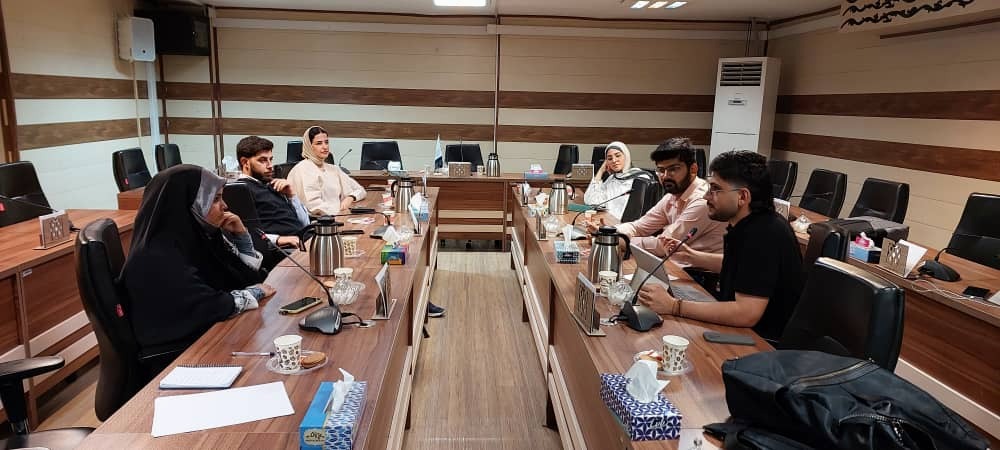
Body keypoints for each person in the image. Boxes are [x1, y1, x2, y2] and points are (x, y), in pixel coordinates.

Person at [637, 151, 803, 341]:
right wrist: (692, 256)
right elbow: (744, 266)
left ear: (742, 196)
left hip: (760, 341)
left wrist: (674, 306)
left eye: (715, 189)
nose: (706, 196)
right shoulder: (750, 223)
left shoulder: (763, 234)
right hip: (742, 329)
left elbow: (746, 313)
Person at [120, 164, 274, 366]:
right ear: (188, 204)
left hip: (206, 339)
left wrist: (242, 237)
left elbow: (248, 279)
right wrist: (256, 293)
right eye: (216, 199)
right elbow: (211, 306)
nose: (225, 206)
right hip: (180, 358)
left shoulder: (199, 237)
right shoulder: (156, 256)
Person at [587, 137, 725, 258]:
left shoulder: (702, 200)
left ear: (693, 169)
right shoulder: (672, 196)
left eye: (673, 169)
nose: (665, 176)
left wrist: (615, 239)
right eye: (661, 170)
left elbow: (662, 245)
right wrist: (609, 231)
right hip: (675, 265)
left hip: (698, 275)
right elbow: (638, 227)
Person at [235, 135, 310, 250]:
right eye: (263, 160)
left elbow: (305, 224)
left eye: (271, 159)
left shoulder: (273, 185)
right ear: (245, 162)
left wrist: (292, 195)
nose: (270, 166)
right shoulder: (241, 190)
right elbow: (244, 232)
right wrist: (278, 239)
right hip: (286, 249)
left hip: (304, 240)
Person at [287, 125, 366, 215]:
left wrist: (350, 197)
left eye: (326, 142)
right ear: (309, 146)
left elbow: (360, 190)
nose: (325, 147)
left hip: (339, 215)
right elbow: (314, 206)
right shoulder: (304, 169)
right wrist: (341, 214)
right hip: (322, 220)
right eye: (319, 143)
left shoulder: (333, 169)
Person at [583, 141, 652, 219]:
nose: (614, 160)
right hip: (609, 221)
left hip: (627, 224)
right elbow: (591, 201)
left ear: (626, 156)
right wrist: (601, 171)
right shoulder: (612, 179)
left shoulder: (640, 179)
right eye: (609, 158)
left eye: (618, 156)